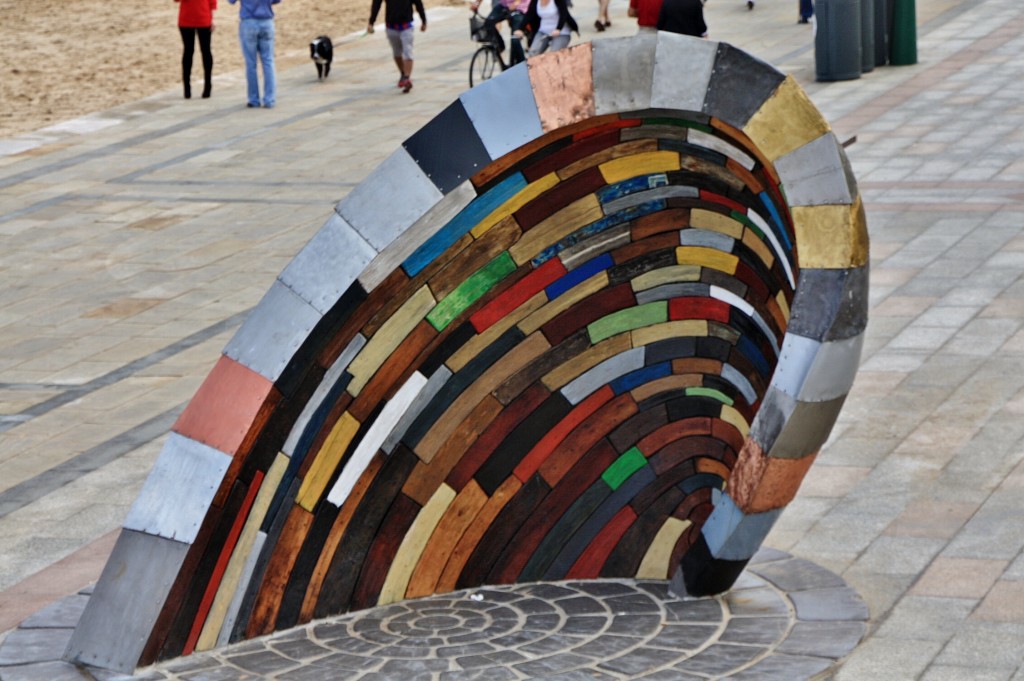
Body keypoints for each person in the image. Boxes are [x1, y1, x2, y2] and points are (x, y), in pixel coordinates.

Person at [228, 0, 280, 108]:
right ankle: (269, 99)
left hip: (249, 21)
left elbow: (231, 1)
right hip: (266, 20)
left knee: (251, 64)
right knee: (268, 61)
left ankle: (254, 99)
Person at [369, 0, 427, 93]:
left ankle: (407, 78)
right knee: (397, 53)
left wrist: (424, 20)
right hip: (391, 26)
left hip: (406, 26)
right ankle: (403, 74)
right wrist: (371, 22)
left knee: (408, 52)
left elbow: (418, 3)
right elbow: (377, 4)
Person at [176, 0, 217, 99]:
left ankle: (205, 86)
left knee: (201, 51)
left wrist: (212, 17)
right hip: (190, 19)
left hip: (200, 18)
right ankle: (189, 87)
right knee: (192, 52)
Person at [471, 0, 530, 66]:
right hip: (504, 5)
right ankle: (500, 46)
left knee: (515, 39)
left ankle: (521, 66)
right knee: (489, 23)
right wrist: (477, 3)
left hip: (520, 8)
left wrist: (517, 2)